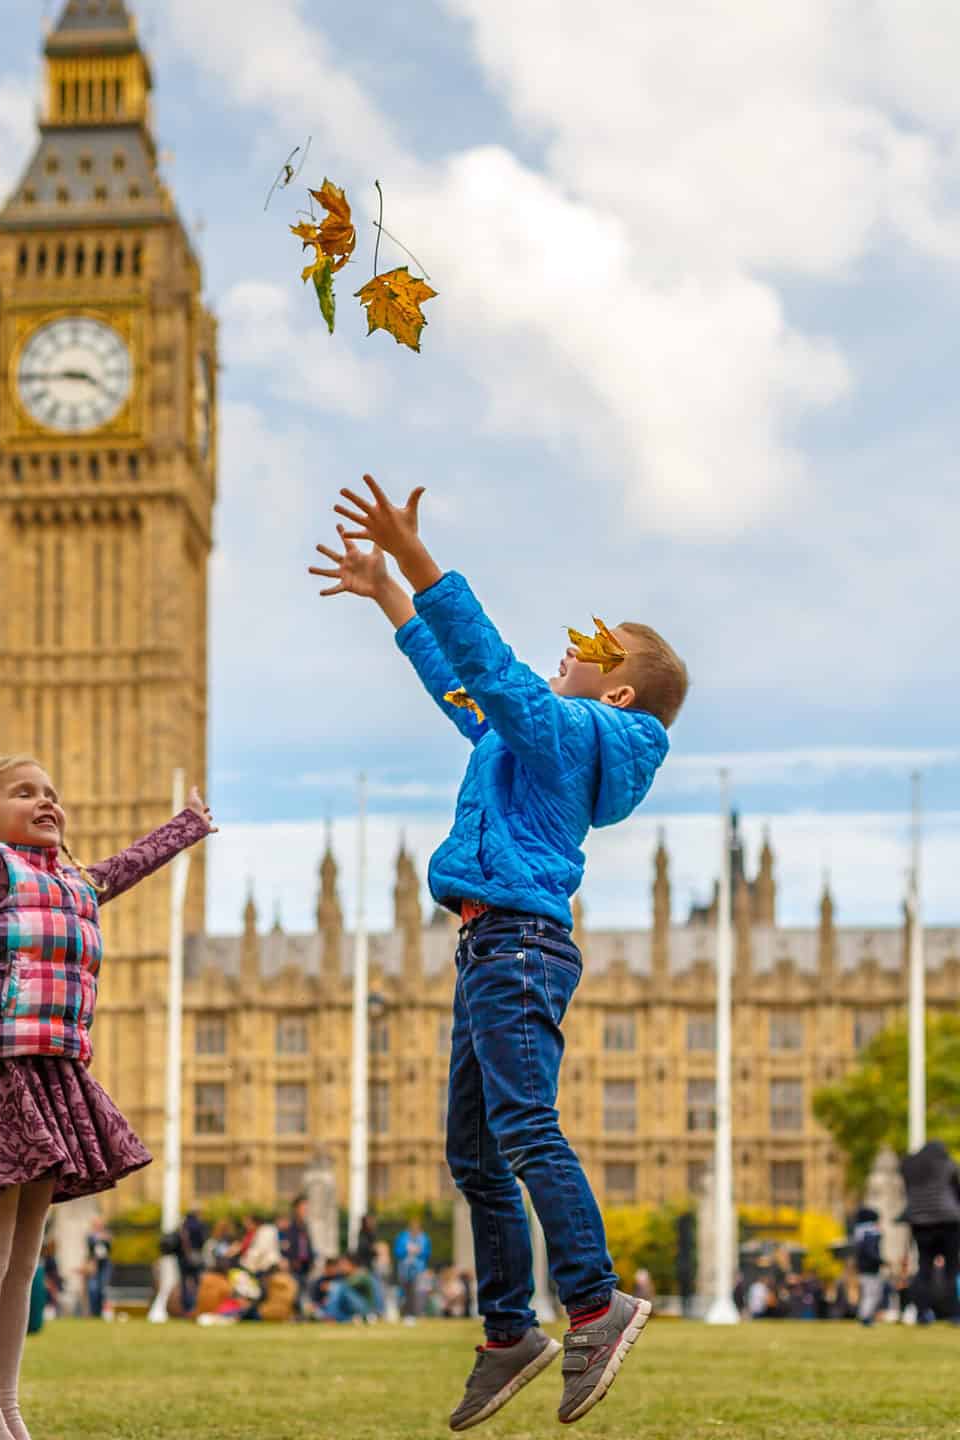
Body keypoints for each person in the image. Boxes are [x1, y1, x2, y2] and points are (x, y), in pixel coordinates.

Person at [310, 477, 686, 1429]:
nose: (572, 647)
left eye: (594, 650)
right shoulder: (529, 738)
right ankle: (510, 1331)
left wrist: (419, 561)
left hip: (518, 947)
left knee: (525, 1130)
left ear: (620, 690)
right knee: (474, 1157)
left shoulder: (568, 735)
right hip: (487, 946)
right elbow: (465, 685)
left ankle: (598, 1303)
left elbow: (499, 669)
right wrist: (392, 599)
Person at [0, 746, 214, 1440]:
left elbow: (130, 864)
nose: (44, 801)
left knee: (23, 1263)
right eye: (23, 793)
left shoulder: (78, 883)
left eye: (50, 791)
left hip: (52, 1073)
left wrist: (187, 826)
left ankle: (4, 1409)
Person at [899, 1139, 960, 1324]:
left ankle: (922, 1312)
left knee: (924, 1267)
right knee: (952, 1268)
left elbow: (908, 1191)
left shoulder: (909, 1166)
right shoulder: (947, 1164)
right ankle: (954, 1313)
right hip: (948, 1220)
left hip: (920, 1222)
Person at [279, 1195, 315, 1316]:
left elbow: (307, 1244)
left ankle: (302, 1315)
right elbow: (284, 1245)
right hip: (294, 1265)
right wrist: (287, 1259)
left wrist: (311, 1259)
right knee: (295, 1291)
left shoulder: (304, 1225)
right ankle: (296, 1315)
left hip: (305, 1265)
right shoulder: (289, 1225)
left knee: (303, 1291)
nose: (306, 1210)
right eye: (303, 1207)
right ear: (296, 1208)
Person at [851, 1206, 885, 1326]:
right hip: (871, 1269)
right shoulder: (871, 1233)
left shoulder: (859, 1233)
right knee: (872, 1294)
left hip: (863, 1268)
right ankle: (865, 1317)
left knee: (867, 1293)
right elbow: (871, 1252)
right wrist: (882, 1261)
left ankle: (864, 1316)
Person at [394, 1217, 432, 1322]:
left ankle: (417, 1313)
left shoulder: (424, 1238)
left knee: (418, 1292)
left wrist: (419, 1251)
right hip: (404, 1269)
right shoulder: (402, 1237)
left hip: (419, 1270)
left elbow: (427, 1253)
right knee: (405, 1292)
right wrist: (407, 1250)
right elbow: (397, 1252)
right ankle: (405, 1314)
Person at [178, 1209, 208, 1315]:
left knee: (184, 1284)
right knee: (197, 1283)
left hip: (183, 1259)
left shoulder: (183, 1226)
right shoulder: (199, 1225)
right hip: (196, 1256)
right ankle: (195, 1306)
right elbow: (203, 1240)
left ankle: (186, 1307)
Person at [86, 1213, 113, 1319]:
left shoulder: (107, 1235)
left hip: (105, 1265)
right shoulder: (90, 1236)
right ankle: (94, 1313)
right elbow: (91, 1249)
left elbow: (109, 1247)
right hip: (94, 1265)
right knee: (93, 1289)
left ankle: (102, 1313)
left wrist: (105, 1238)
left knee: (103, 1289)